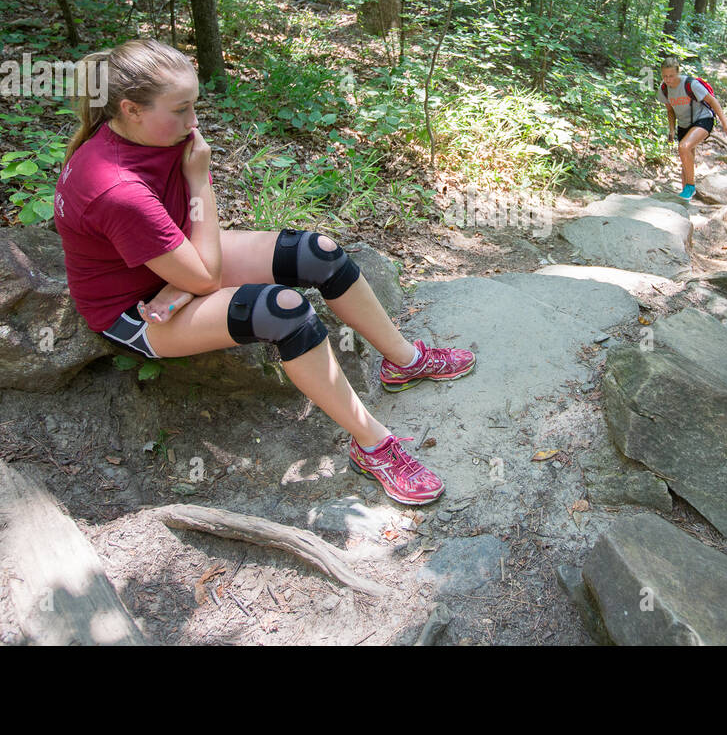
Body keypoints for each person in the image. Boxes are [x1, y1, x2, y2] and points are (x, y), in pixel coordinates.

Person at [53, 39, 475, 506]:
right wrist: (198, 183)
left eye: (195, 105)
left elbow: (198, 267)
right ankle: (372, 444)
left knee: (319, 252)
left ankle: (404, 360)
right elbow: (206, 274)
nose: (194, 122)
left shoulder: (159, 130)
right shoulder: (115, 186)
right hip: (134, 311)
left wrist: (187, 282)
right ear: (130, 109)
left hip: (180, 265)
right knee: (284, 310)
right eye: (182, 109)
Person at [658, 56, 727, 200]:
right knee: (686, 161)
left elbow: (713, 101)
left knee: (684, 147)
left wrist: (725, 123)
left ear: (678, 72)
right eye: (665, 76)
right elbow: (670, 111)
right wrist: (672, 130)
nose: (668, 80)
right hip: (684, 125)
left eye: (671, 76)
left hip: (703, 119)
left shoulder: (691, 84)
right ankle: (685, 200)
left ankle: (691, 187)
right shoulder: (663, 89)